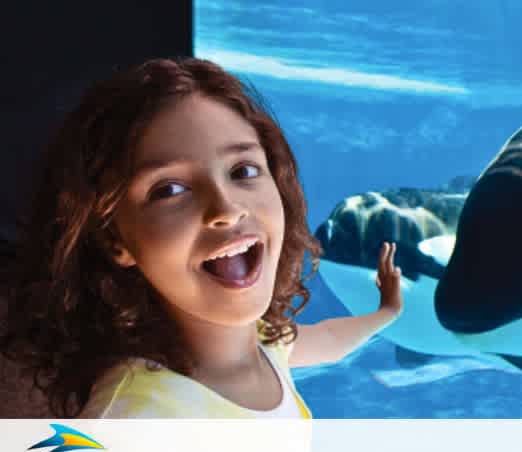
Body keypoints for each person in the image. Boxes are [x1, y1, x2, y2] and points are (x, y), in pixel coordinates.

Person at [0, 57, 404, 418]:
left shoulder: (264, 344)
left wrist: (385, 312)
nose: (226, 210)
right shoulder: (133, 424)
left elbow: (329, 340)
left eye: (243, 171)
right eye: (169, 190)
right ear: (114, 239)